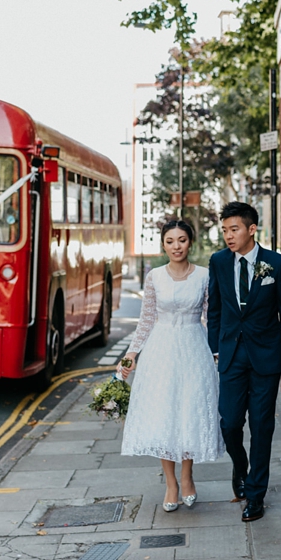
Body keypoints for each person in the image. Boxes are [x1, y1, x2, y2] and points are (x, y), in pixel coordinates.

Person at [118, 219, 224, 512]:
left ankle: (187, 477)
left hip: (193, 348)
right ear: (163, 244)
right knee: (164, 414)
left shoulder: (204, 275)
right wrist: (130, 356)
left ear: (191, 242)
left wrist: (218, 353)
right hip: (160, 351)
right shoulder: (154, 277)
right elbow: (146, 320)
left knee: (189, 411)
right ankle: (170, 483)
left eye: (181, 240)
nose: (176, 246)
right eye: (170, 241)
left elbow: (210, 318)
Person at [207, 201, 281, 522]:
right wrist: (214, 349)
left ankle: (256, 494)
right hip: (231, 357)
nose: (228, 236)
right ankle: (240, 465)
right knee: (230, 423)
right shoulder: (219, 262)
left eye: (234, 230)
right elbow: (216, 309)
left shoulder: (276, 264)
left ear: (251, 229)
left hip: (267, 359)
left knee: (262, 427)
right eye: (224, 231)